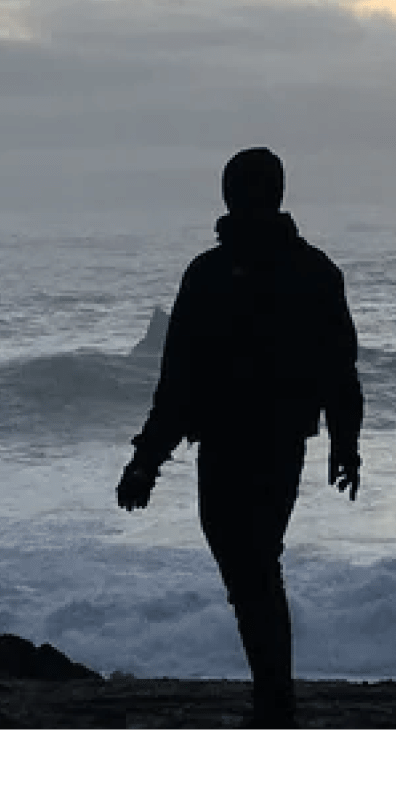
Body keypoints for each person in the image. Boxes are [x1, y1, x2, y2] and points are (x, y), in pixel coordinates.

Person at [116, 147, 364, 729]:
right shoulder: (309, 270)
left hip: (246, 443)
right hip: (270, 443)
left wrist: (146, 463)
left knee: (251, 567)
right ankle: (274, 699)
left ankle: (276, 705)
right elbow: (339, 372)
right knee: (253, 566)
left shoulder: (218, 274)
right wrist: (344, 443)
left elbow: (178, 381)